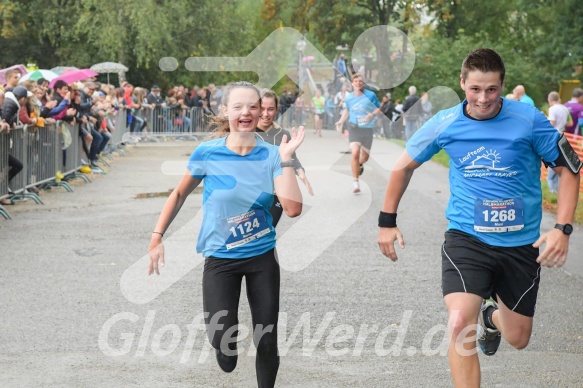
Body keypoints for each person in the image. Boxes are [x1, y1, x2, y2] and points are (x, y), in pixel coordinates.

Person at [377, 48, 581, 387]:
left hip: (521, 243)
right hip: (467, 238)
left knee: (519, 337)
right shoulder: (445, 122)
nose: (483, 99)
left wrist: (562, 228)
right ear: (462, 84)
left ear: (503, 86)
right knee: (458, 323)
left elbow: (569, 168)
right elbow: (403, 167)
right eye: (475, 89)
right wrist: (387, 220)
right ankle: (475, 319)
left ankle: (490, 317)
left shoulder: (529, 120)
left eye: (491, 89)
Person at [148, 81, 304, 388]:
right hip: (220, 259)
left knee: (267, 339)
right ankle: (224, 347)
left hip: (261, 258)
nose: (245, 112)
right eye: (238, 106)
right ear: (225, 111)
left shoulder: (273, 155)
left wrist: (286, 160)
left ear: (261, 113)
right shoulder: (208, 153)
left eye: (252, 107)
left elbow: (293, 208)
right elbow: (179, 193)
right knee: (222, 338)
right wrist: (157, 236)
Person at [256, 89, 313, 227]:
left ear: (277, 110)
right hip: (252, 195)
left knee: (267, 229)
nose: (265, 114)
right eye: (261, 109)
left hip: (276, 194)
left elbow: (293, 159)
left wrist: (301, 173)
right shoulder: (245, 133)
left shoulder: (283, 134)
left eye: (270, 109)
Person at [335, 74, 381, 193]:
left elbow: (378, 108)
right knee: (355, 153)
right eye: (356, 81)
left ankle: (359, 164)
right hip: (354, 128)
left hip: (367, 129)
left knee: (364, 157)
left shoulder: (371, 95)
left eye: (360, 81)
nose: (358, 83)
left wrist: (372, 114)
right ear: (352, 83)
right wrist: (340, 121)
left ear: (363, 83)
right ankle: (356, 182)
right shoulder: (349, 98)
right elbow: (347, 110)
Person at [546, 91, 572, 194]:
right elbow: (570, 123)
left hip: (554, 137)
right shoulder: (565, 108)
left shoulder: (552, 109)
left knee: (553, 161)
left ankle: (552, 191)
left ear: (550, 100)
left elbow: (552, 123)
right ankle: (558, 191)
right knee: (561, 163)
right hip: (563, 135)